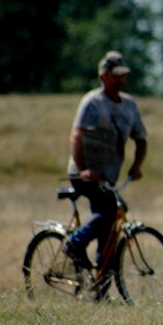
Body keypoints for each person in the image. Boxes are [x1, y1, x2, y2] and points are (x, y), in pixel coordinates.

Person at [64, 51, 148, 275]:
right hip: (85, 174)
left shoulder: (129, 105)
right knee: (110, 212)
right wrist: (83, 170)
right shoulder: (93, 103)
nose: (121, 80)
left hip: (108, 176)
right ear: (103, 77)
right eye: (115, 76)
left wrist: (136, 166)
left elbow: (141, 139)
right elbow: (76, 136)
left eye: (123, 75)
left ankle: (101, 288)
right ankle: (75, 242)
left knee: (111, 226)